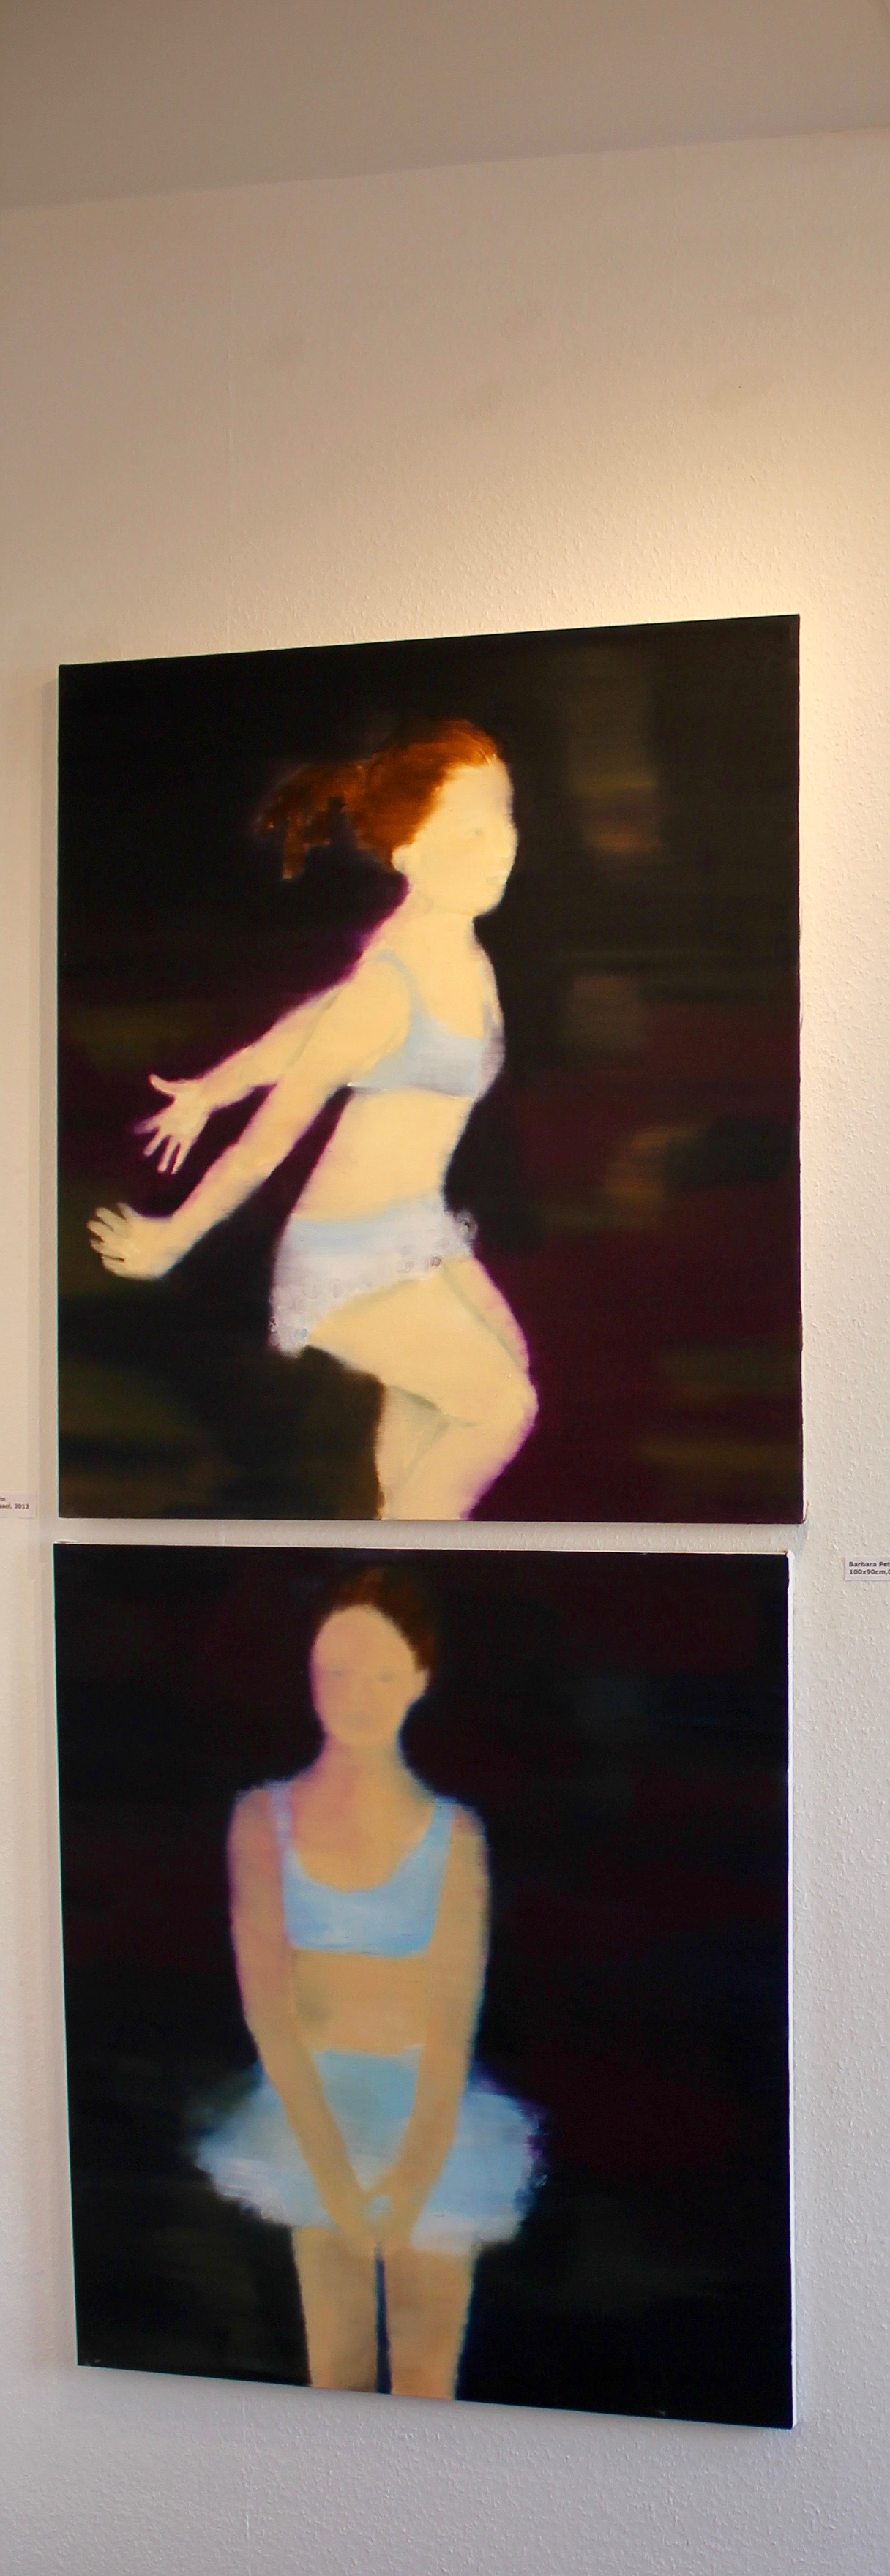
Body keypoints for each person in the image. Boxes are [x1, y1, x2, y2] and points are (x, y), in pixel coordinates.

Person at [88, 725, 535, 1521]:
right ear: (409, 854)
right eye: (468, 830)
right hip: (348, 1256)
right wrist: (173, 1238)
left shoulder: (455, 954)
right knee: (501, 1408)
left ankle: (394, 1561)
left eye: (501, 817)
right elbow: (271, 1136)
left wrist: (214, 1087)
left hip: (415, 1231)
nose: (497, 845)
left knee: (465, 1398)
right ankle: (400, 1561)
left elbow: (305, 1027)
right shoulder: (392, 981)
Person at [195, 1571, 540, 2398]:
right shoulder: (262, 1821)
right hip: (312, 2120)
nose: (356, 1694)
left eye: (382, 1673)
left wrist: (412, 2183)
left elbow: (452, 2025)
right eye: (337, 1671)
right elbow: (271, 2015)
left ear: (419, 1678)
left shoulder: (454, 1837)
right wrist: (337, 2185)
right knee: (339, 2373)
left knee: (426, 2379)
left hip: (434, 2130)